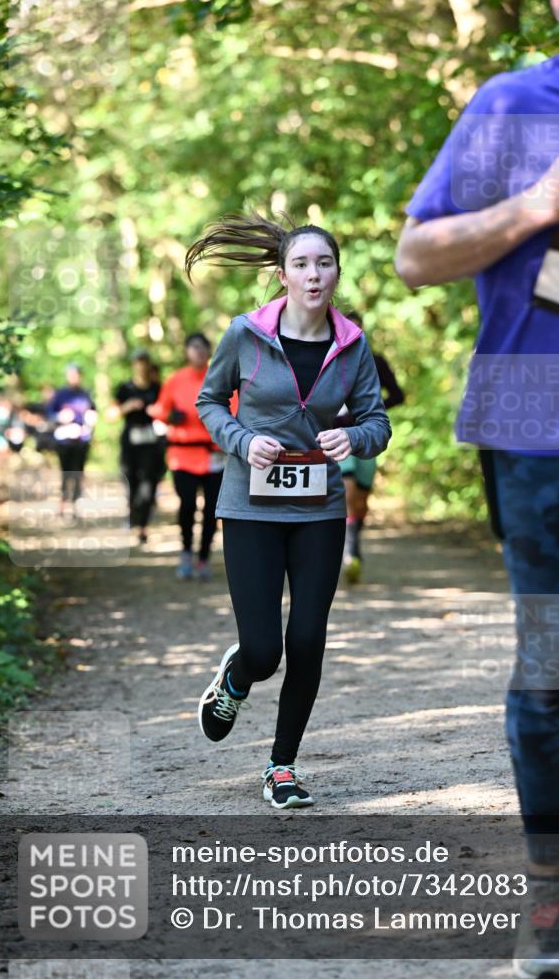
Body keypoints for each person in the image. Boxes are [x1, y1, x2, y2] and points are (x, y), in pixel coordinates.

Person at [395, 0, 559, 977]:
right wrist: (536, 205)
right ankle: (548, 887)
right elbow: (417, 255)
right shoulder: (511, 108)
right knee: (547, 662)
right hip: (527, 411)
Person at [186, 213, 391, 809]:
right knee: (264, 649)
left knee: (307, 639)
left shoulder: (352, 345)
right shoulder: (244, 334)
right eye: (301, 264)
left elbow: (377, 421)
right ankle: (236, 676)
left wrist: (352, 439)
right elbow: (208, 400)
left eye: (323, 263)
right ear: (282, 276)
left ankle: (282, 766)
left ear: (336, 273)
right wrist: (243, 441)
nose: (313, 274)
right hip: (250, 504)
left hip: (319, 509)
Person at [148, 333, 226, 579]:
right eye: (194, 347)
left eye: (203, 347)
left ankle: (203, 558)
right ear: (186, 351)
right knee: (187, 504)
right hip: (182, 454)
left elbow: (234, 410)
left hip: (213, 455)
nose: (199, 351)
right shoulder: (175, 380)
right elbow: (159, 410)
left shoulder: (220, 377)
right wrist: (171, 417)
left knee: (213, 509)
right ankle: (185, 553)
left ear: (209, 351)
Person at [334, 311, 404, 584]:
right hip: (338, 436)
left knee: (361, 500)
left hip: (366, 435)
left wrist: (371, 411)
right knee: (347, 491)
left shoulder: (376, 362)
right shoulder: (330, 358)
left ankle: (355, 544)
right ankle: (348, 554)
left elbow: (398, 395)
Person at [110, 350, 163, 546]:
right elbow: (111, 414)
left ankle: (143, 526)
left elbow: (166, 410)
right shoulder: (125, 388)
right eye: (138, 362)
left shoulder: (158, 388)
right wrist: (127, 406)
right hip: (129, 442)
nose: (141, 366)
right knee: (130, 482)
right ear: (133, 365)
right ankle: (133, 516)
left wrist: (156, 412)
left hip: (151, 442)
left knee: (148, 484)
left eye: (144, 362)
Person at [47, 365, 97, 518]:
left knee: (78, 473)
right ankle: (62, 504)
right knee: (65, 472)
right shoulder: (60, 394)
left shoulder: (86, 394)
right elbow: (50, 413)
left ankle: (75, 505)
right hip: (64, 440)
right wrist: (60, 417)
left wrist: (90, 421)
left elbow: (93, 414)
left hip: (81, 440)